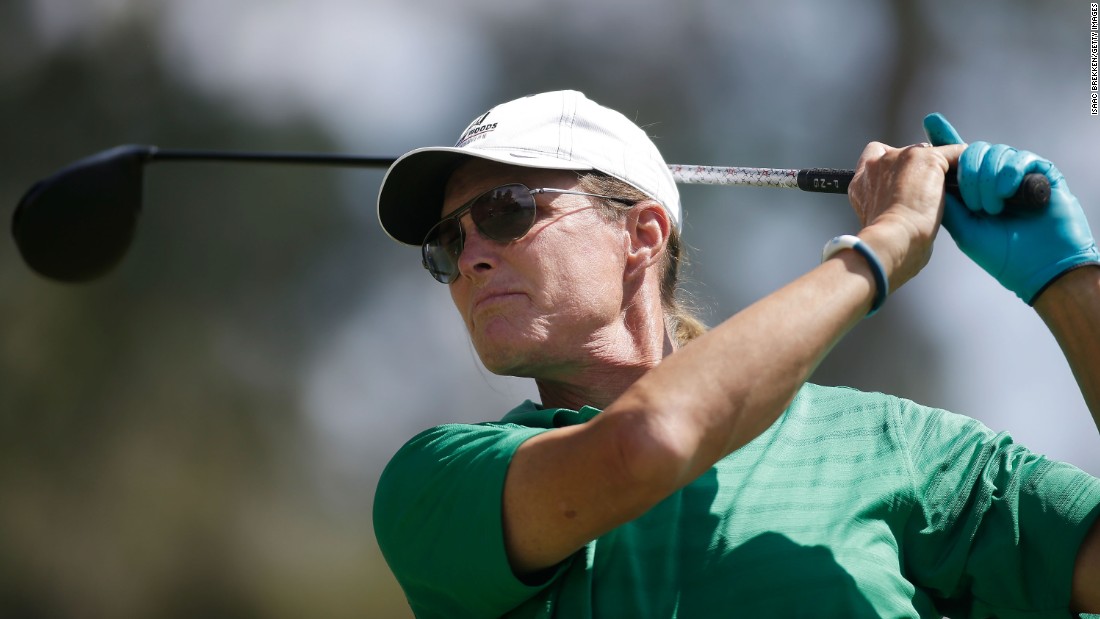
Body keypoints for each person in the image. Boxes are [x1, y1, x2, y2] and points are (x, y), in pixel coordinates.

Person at [372, 90, 1100, 618]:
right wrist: (882, 247)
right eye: (447, 241)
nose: (471, 257)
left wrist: (1069, 282)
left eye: (504, 211)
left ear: (643, 234)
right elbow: (645, 442)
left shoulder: (892, 446)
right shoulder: (433, 480)